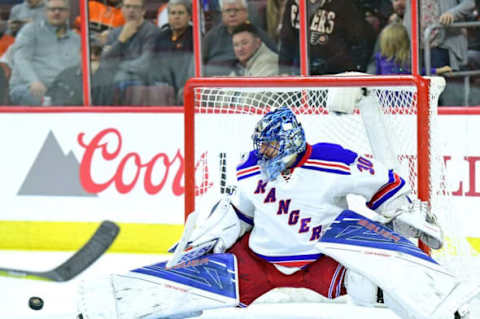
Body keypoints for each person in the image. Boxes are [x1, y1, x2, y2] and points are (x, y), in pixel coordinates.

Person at [77, 105, 478, 319]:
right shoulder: (250, 169)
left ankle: (452, 308)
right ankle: (106, 306)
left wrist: (404, 213)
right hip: (259, 263)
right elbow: (239, 213)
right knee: (185, 284)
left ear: (288, 141)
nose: (262, 153)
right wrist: (208, 239)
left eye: (269, 146)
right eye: (261, 146)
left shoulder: (333, 161)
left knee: (378, 283)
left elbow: (384, 182)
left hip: (324, 260)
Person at [8, 0, 80, 106]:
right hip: (28, 87)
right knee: (44, 100)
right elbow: (21, 59)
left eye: (61, 9)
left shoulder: (76, 39)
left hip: (60, 91)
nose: (56, 12)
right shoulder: (30, 30)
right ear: (45, 12)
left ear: (68, 13)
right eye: (52, 9)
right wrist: (33, 81)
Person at [278, 0, 377, 76]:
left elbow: (359, 44)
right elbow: (287, 41)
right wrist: (283, 71)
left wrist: (348, 72)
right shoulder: (293, 3)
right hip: (301, 73)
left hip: (336, 76)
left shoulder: (344, 5)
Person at [96, 0, 160, 105]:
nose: (131, 10)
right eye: (128, 6)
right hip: (115, 84)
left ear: (143, 11)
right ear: (122, 10)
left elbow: (145, 65)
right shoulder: (115, 33)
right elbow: (105, 63)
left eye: (136, 7)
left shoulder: (152, 32)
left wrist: (118, 66)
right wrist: (121, 40)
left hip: (143, 84)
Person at [202, 0, 277, 76]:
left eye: (236, 10)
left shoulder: (258, 35)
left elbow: (275, 61)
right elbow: (199, 63)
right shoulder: (211, 36)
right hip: (211, 84)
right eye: (228, 11)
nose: (232, 14)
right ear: (222, 14)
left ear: (246, 12)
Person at [403, 0, 475, 72]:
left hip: (442, 45)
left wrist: (452, 13)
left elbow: (469, 3)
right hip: (415, 49)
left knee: (437, 81)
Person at [153, 0, 193, 104]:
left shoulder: (195, 36)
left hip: (185, 86)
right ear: (168, 17)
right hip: (162, 85)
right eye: (173, 13)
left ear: (189, 17)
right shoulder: (161, 37)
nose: (176, 17)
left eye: (180, 13)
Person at [375, 23, 452, 75]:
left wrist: (437, 70)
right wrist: (438, 70)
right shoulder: (380, 58)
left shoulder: (405, 61)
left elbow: (417, 71)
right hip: (399, 96)